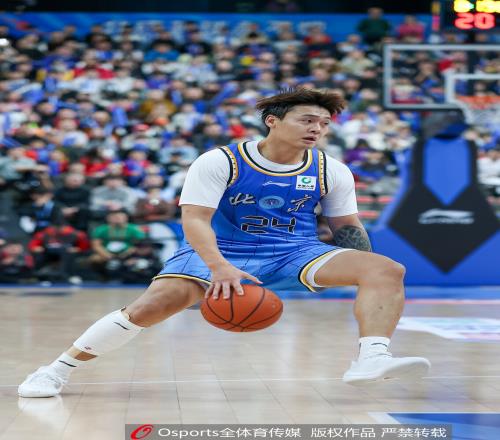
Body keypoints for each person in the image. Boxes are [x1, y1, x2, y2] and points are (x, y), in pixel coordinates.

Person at [18, 88, 430, 398]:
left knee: (386, 269)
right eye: (307, 120)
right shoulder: (221, 161)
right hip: (221, 249)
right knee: (149, 308)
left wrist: (360, 273)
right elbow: (195, 219)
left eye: (323, 124)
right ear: (272, 121)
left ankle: (371, 357)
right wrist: (218, 267)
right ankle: (57, 369)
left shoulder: (330, 169)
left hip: (294, 251)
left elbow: (347, 226)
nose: (317, 129)